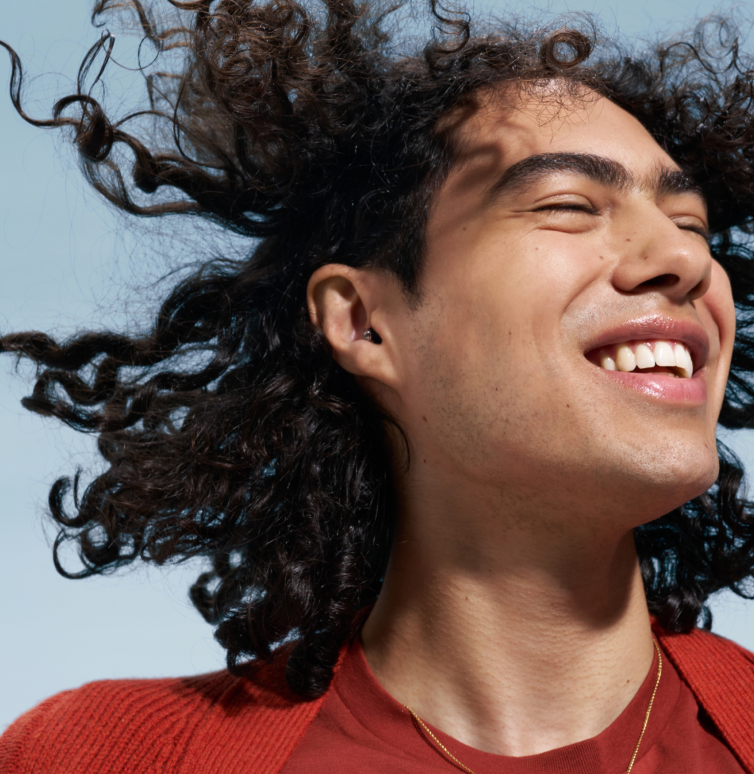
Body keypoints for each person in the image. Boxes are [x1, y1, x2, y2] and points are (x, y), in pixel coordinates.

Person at [1, 0, 754, 771]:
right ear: (364, 323)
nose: (685, 259)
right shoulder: (89, 757)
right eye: (568, 205)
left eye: (690, 224)